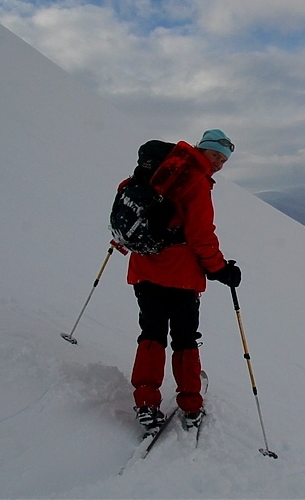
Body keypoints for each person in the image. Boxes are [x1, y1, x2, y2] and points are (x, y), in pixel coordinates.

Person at [124, 129, 241, 431]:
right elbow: (201, 235)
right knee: (185, 339)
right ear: (204, 150)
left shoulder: (163, 167)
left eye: (224, 160)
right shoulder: (196, 182)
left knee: (151, 334)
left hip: (146, 268)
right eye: (216, 156)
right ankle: (190, 404)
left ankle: (146, 403)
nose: (219, 164)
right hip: (182, 277)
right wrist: (220, 270)